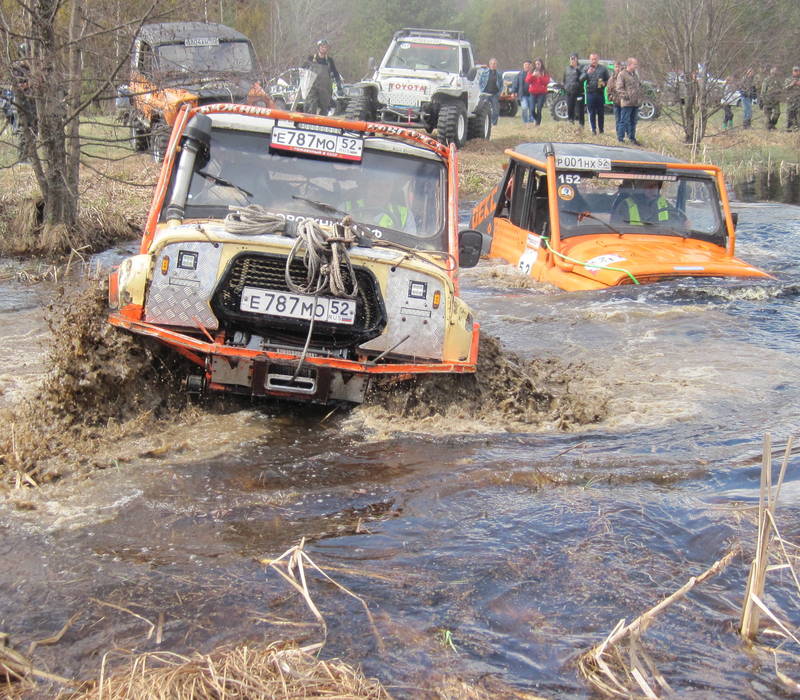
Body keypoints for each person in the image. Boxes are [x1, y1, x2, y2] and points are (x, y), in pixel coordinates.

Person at [611, 180, 686, 228]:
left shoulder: (665, 205)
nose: (652, 190)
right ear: (641, 188)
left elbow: (678, 226)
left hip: (661, 243)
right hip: (634, 243)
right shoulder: (625, 205)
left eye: (654, 186)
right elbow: (616, 229)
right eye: (649, 187)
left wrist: (684, 225)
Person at [302, 39, 343, 116]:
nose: (323, 48)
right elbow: (302, 71)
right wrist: (302, 85)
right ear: (318, 48)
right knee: (311, 105)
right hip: (312, 87)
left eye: (325, 47)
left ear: (327, 49)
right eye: (322, 47)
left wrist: (339, 87)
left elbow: (336, 74)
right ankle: (309, 123)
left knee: (325, 109)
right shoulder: (311, 58)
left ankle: (321, 125)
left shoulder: (329, 61)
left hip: (325, 89)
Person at [581, 53, 610, 135]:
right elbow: (581, 80)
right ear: (590, 60)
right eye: (592, 59)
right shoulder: (586, 68)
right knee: (591, 112)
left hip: (600, 93)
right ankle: (593, 129)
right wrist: (587, 73)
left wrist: (605, 83)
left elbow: (608, 80)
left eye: (595, 59)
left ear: (598, 59)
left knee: (601, 112)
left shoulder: (603, 69)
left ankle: (601, 130)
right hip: (590, 93)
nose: (594, 61)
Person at [616, 57, 643, 145]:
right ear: (629, 64)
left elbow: (638, 86)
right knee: (624, 121)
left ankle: (632, 138)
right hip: (627, 103)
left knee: (633, 121)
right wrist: (627, 97)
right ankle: (620, 138)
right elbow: (619, 88)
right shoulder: (622, 74)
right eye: (635, 64)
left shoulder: (635, 75)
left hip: (635, 103)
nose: (636, 66)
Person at [525, 58, 550, 126]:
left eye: (538, 64)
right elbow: (527, 80)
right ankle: (537, 118)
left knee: (539, 108)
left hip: (541, 93)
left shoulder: (544, 72)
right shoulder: (531, 71)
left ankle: (538, 123)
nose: (537, 65)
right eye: (536, 64)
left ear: (541, 64)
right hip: (533, 92)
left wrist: (540, 77)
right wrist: (533, 76)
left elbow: (547, 82)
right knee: (532, 109)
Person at [563, 53, 584, 126]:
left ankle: (581, 124)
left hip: (579, 92)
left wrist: (577, 69)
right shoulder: (567, 69)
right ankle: (570, 122)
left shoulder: (581, 67)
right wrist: (565, 87)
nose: (572, 60)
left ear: (577, 59)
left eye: (574, 59)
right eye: (571, 59)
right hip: (569, 91)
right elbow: (564, 79)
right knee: (570, 108)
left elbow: (583, 77)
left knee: (580, 110)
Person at [479, 58, 502, 125]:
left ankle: (493, 123)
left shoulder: (499, 74)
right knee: (482, 110)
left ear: (496, 65)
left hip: (494, 94)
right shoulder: (484, 72)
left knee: (496, 111)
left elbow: (501, 84)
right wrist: (481, 90)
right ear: (489, 64)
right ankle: (484, 124)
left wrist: (499, 93)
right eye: (492, 63)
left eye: (494, 64)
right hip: (485, 94)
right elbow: (480, 82)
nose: (493, 65)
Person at [511, 59, 532, 123]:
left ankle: (531, 121)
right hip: (523, 95)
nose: (527, 66)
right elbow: (515, 84)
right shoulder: (520, 75)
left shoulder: (533, 74)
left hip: (532, 95)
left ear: (530, 66)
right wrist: (513, 92)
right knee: (524, 108)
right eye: (525, 65)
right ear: (523, 66)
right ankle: (525, 121)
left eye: (528, 65)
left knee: (532, 109)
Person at [760, 65, 782, 130]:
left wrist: (778, 91)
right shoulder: (766, 80)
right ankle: (768, 129)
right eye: (773, 71)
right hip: (767, 100)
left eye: (775, 71)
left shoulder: (778, 80)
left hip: (776, 100)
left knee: (777, 113)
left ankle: (772, 125)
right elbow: (763, 91)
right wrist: (763, 100)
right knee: (768, 116)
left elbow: (781, 89)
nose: (774, 73)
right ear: (770, 72)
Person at [606, 60, 625, 132]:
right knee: (618, 119)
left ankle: (625, 134)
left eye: (619, 66)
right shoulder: (611, 79)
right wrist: (611, 98)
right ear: (614, 68)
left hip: (625, 102)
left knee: (625, 120)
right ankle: (619, 136)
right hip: (616, 102)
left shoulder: (625, 77)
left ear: (621, 67)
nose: (617, 68)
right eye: (616, 67)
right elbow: (609, 90)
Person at [784, 66, 800, 132]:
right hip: (791, 100)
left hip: (799, 99)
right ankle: (788, 128)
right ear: (792, 71)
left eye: (797, 71)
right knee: (790, 114)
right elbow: (785, 88)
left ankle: (797, 128)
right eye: (795, 71)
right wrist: (792, 84)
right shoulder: (788, 79)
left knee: (798, 114)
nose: (796, 72)